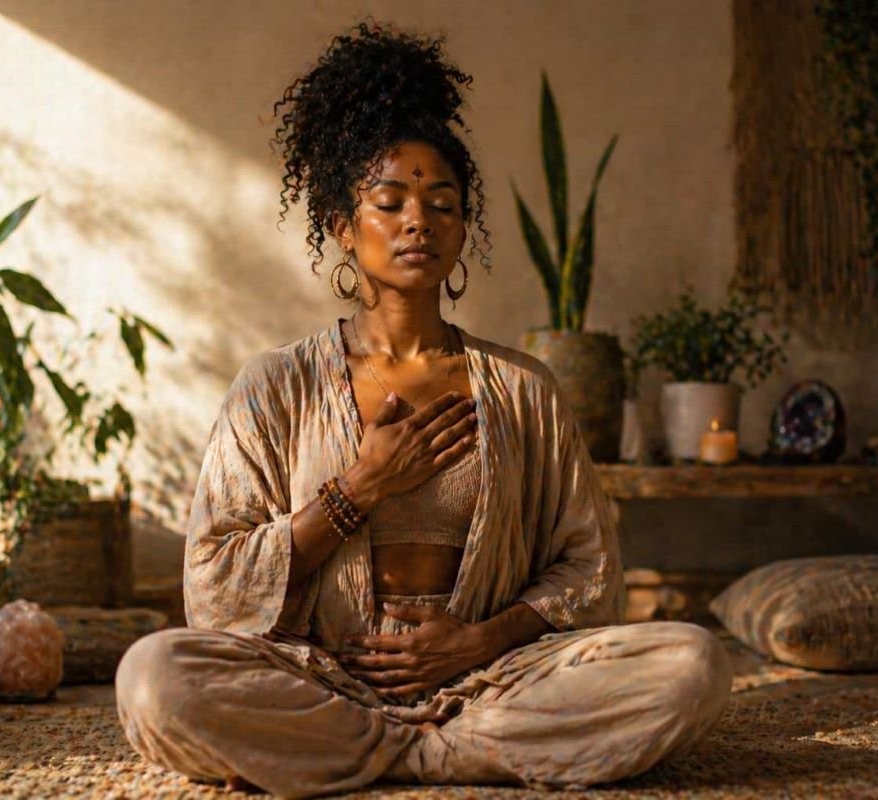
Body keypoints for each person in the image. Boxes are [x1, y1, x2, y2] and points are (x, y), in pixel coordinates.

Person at [116, 22, 731, 799]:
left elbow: (589, 568)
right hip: (323, 679)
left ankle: (384, 756)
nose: (420, 221)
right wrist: (358, 488)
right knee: (153, 677)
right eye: (391, 202)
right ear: (343, 226)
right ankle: (447, 755)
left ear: (460, 229)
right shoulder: (274, 386)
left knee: (693, 664)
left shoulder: (523, 389)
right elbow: (213, 587)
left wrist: (475, 643)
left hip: (493, 681)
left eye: (442, 204)